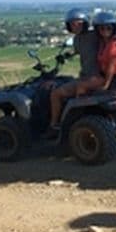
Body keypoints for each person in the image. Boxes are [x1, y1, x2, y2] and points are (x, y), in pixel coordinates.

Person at [47, 8, 104, 137]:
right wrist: (67, 55)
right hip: (87, 77)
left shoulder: (94, 36)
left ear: (85, 23)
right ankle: (60, 124)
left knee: (55, 94)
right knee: (60, 92)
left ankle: (56, 124)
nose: (75, 26)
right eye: (72, 24)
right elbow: (79, 51)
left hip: (94, 78)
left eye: (78, 23)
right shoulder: (77, 39)